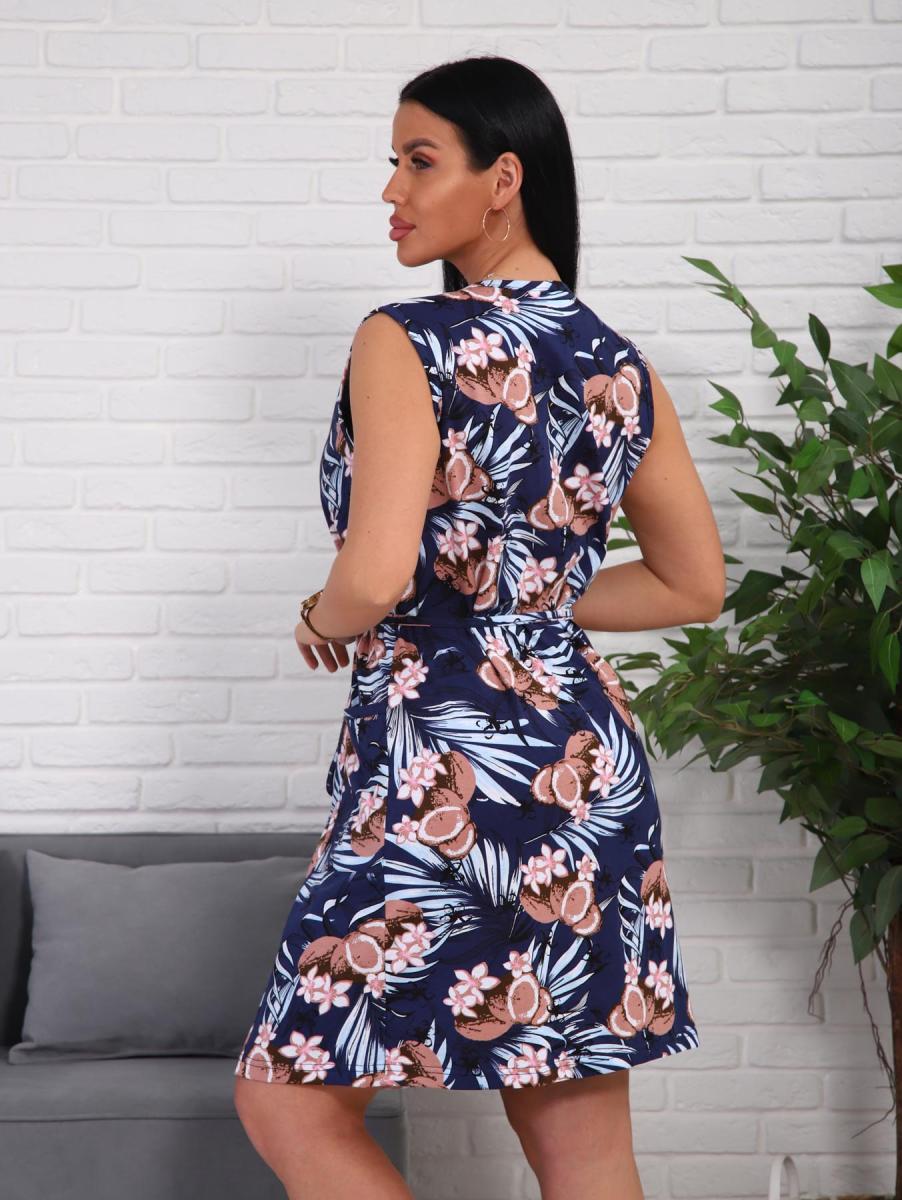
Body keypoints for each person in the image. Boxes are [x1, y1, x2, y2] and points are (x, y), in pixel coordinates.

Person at [233, 53, 725, 1200]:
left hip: (438, 767)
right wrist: (523, 596)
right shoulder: (615, 363)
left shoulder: (405, 337)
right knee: (580, 1145)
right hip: (578, 769)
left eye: (419, 161)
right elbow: (690, 585)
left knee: (286, 1099)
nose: (391, 189)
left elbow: (373, 575)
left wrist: (321, 613)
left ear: (502, 178)